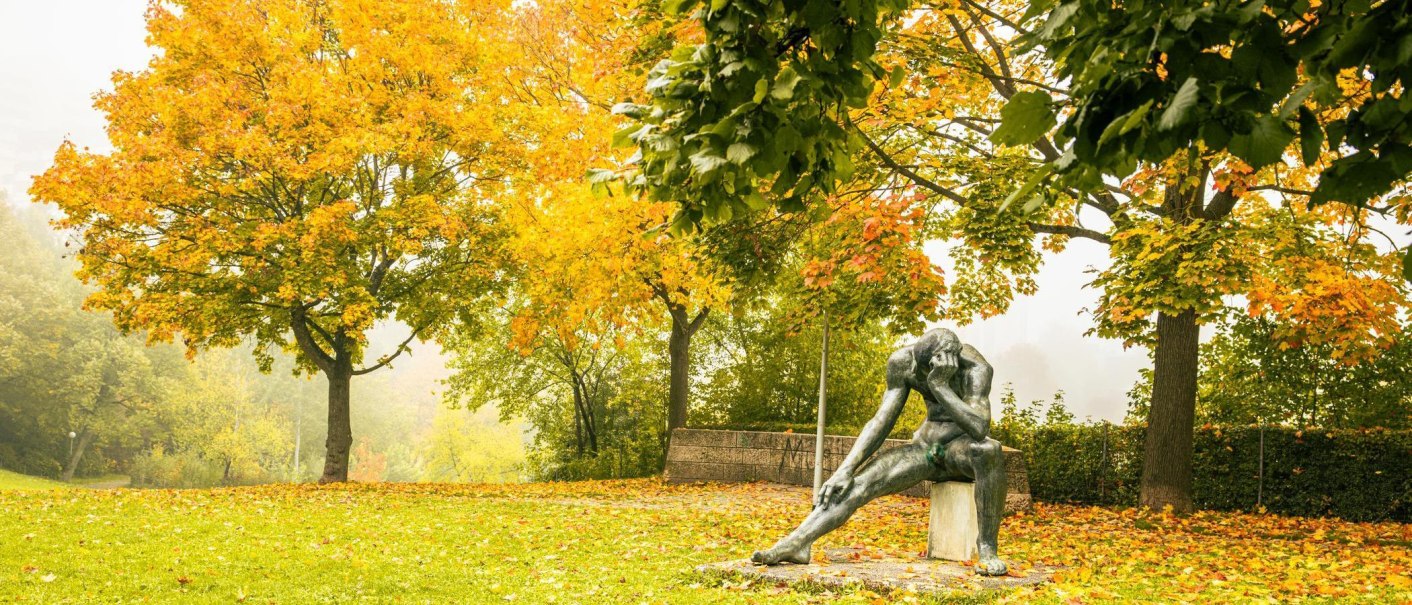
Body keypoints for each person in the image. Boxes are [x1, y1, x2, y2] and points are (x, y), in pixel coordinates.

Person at [750, 328, 1008, 576]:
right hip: (928, 449)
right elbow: (881, 420)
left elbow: (978, 427)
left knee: (988, 450)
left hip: (960, 450)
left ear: (948, 361)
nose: (918, 374)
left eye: (925, 371)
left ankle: (987, 548)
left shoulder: (976, 368)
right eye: (918, 368)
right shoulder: (904, 362)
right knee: (858, 482)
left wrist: (940, 386)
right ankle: (798, 543)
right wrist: (845, 469)